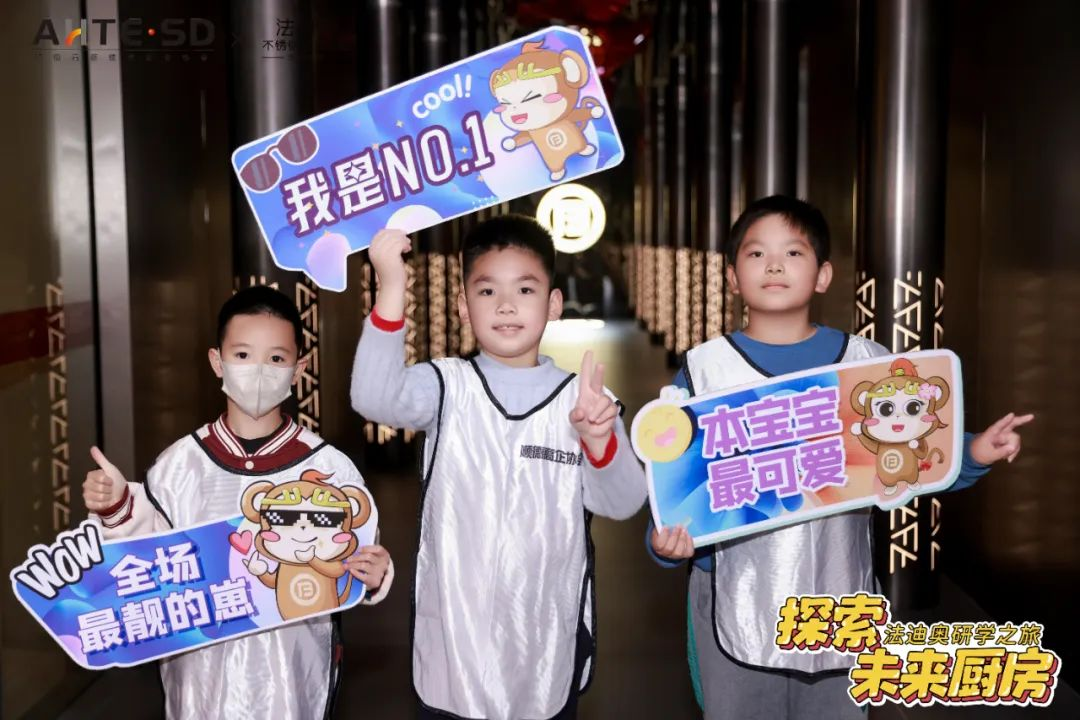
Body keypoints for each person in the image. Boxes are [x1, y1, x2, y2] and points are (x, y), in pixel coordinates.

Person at [648, 195, 1033, 719]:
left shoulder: (867, 365)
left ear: (823, 275)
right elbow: (673, 485)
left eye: (793, 253)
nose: (775, 265)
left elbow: (917, 453)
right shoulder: (703, 371)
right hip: (735, 598)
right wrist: (664, 545)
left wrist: (975, 451)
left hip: (839, 594)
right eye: (757, 254)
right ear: (733, 277)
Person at [351, 216, 647, 719]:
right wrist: (391, 287)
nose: (506, 305)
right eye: (487, 291)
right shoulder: (446, 385)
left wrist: (599, 441)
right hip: (453, 650)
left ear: (553, 304)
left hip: (545, 649)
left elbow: (623, 501)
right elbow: (373, 396)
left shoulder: (585, 402)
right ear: (463, 307)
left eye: (525, 289)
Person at [82, 285, 392, 719]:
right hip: (200, 683)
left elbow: (355, 561)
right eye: (243, 355)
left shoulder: (330, 469)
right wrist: (116, 506)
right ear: (217, 361)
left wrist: (374, 576)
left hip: (292, 682)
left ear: (299, 369)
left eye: (277, 358)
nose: (259, 370)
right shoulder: (178, 466)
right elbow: (139, 569)